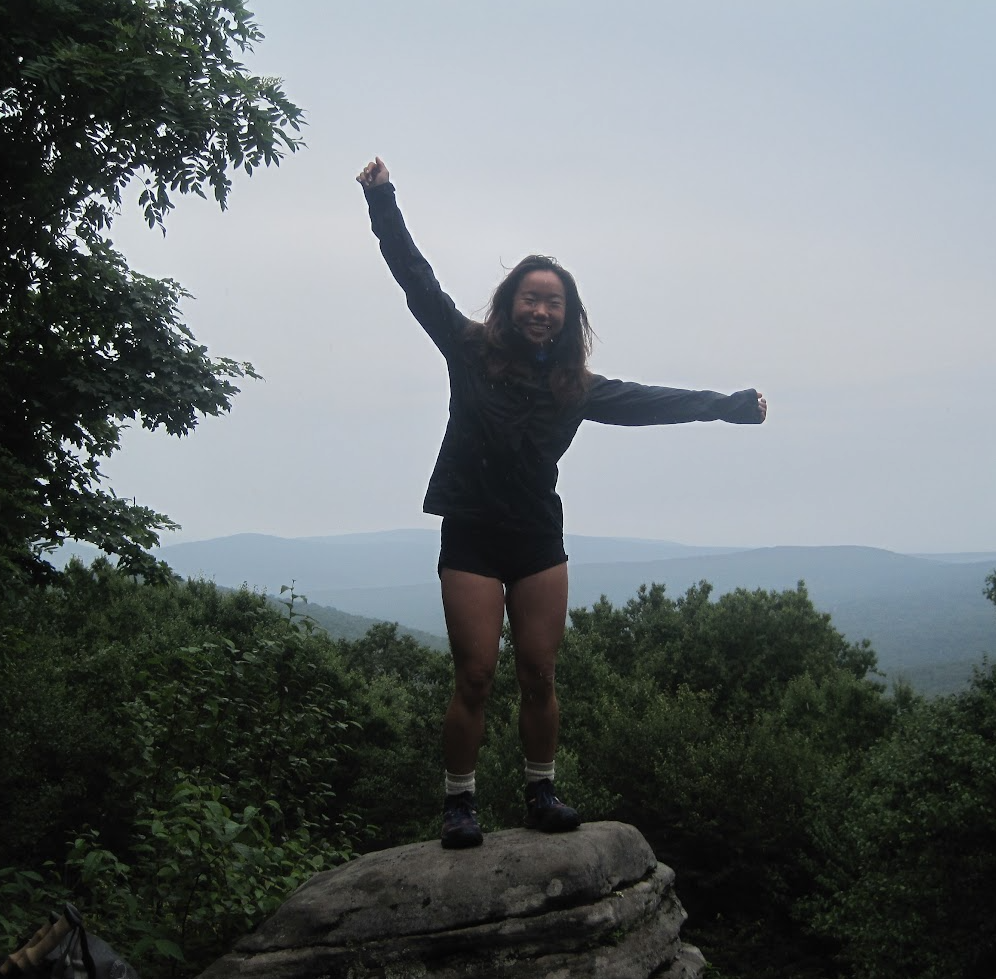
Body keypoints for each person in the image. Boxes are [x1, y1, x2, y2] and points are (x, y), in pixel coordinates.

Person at [357, 157, 767, 849]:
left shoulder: (578, 386)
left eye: (555, 302)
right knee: (477, 673)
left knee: (540, 672)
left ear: (568, 315)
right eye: (531, 297)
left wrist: (729, 407)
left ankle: (541, 789)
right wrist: (381, 201)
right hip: (472, 533)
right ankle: (460, 801)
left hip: (538, 538)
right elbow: (416, 280)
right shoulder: (469, 348)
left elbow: (652, 402)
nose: (542, 310)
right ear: (511, 303)